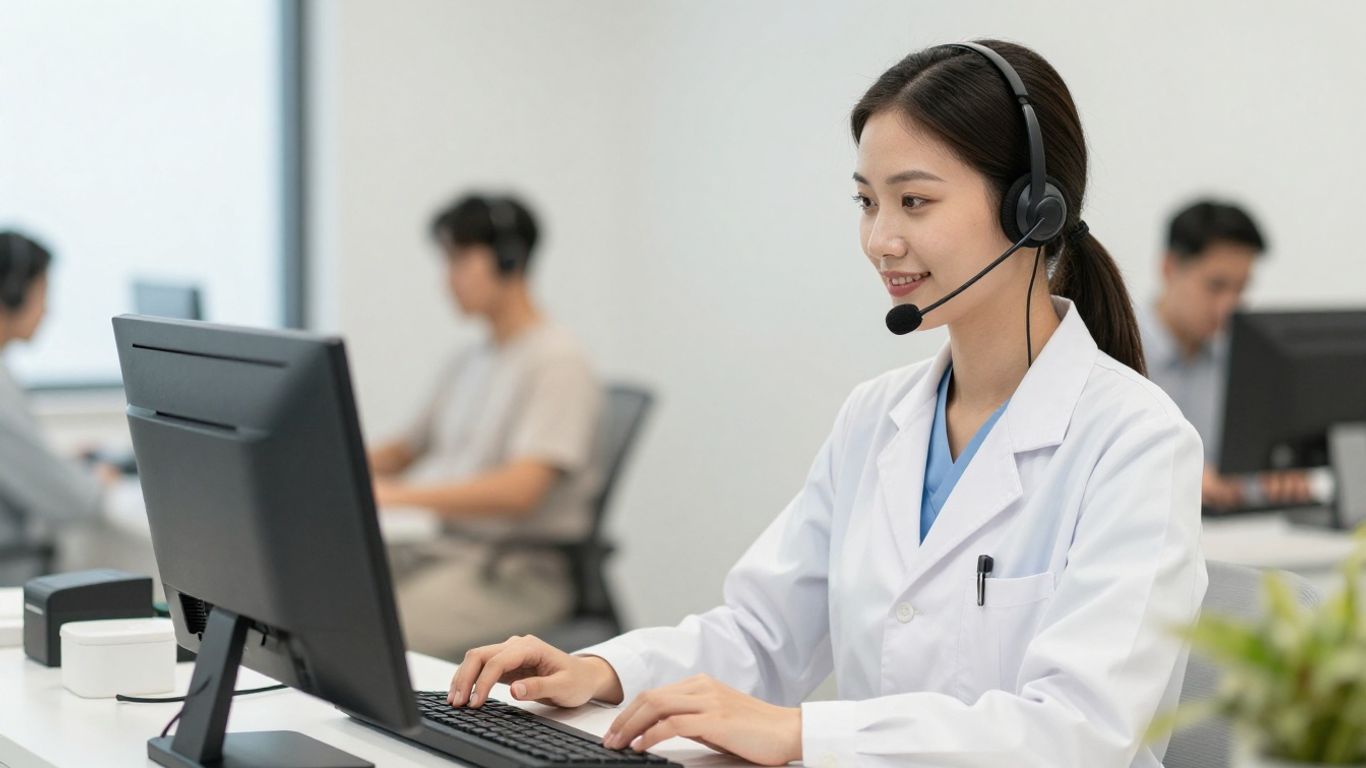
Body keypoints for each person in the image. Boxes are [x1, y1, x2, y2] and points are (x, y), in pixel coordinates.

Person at [443, 41, 1206, 767]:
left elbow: (1080, 731)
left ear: (1032, 212)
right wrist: (601, 671)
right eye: (868, 202)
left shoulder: (1134, 441)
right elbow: (765, 632)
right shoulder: (876, 417)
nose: (880, 239)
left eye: (914, 201)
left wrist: (803, 731)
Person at [367, 194, 603, 659]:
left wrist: (395, 496)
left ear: (508, 259)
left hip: (514, 572)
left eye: (459, 261)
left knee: (369, 635)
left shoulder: (557, 361)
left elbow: (519, 492)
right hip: (445, 551)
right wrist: (333, 464)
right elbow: (404, 449)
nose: (447, 280)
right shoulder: (470, 360)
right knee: (319, 597)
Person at [1137, 200, 1312, 511]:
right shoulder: (1115, 354)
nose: (1229, 306)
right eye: (1216, 286)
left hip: (1225, 529)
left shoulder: (1243, 365)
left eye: (1240, 289)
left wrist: (1274, 479)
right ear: (1169, 268)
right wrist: (1180, 477)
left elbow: (1244, 474)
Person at [0, 231, 107, 582]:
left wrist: (61, 465)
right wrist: (97, 479)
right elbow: (72, 501)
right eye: (42, 292)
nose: (47, 310)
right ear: (13, 294)